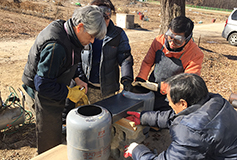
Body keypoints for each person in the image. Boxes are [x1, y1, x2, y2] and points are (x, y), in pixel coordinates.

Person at [21, 5, 107, 154]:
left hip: (52, 84)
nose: (92, 41)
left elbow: (73, 59)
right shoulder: (56, 45)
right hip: (41, 93)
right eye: (91, 36)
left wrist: (77, 79)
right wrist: (68, 92)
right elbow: (42, 84)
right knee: (49, 138)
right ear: (80, 26)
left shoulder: (72, 35)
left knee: (56, 128)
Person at [125, 73, 237, 159]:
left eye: (169, 100)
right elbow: (176, 116)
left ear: (183, 103)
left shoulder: (191, 133)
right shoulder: (216, 102)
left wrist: (137, 150)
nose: (168, 103)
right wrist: (144, 117)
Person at [62, 0, 134, 124]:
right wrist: (79, 77)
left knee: (104, 123)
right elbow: (76, 57)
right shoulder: (84, 32)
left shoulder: (118, 34)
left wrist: (127, 79)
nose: (104, 21)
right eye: (101, 17)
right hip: (84, 87)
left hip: (107, 90)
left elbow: (125, 57)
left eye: (107, 17)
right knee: (84, 121)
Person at [133, 16, 204, 111]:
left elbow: (187, 83)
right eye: (170, 36)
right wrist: (141, 78)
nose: (171, 42)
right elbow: (147, 62)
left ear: (187, 38)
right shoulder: (159, 41)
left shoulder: (195, 54)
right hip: (152, 88)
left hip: (174, 96)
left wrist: (161, 87)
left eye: (178, 40)